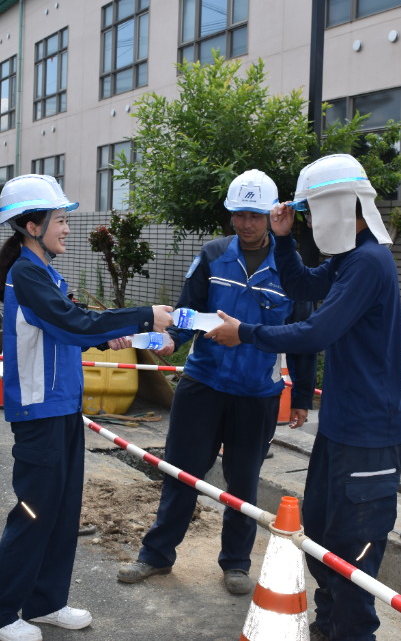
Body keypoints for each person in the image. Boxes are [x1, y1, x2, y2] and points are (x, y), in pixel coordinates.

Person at [206, 154, 401, 641]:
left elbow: (317, 330)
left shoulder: (368, 262)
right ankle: (329, 624)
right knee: (320, 535)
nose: (311, 220)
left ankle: (351, 632)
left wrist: (246, 333)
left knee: (354, 548)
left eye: (313, 211)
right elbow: (299, 285)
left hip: (368, 433)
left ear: (340, 206)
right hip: (342, 428)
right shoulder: (348, 260)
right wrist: (284, 237)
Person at [0, 174, 173, 641]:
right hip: (39, 412)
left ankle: (45, 602)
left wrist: (143, 336)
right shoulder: (25, 274)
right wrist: (145, 314)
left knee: (63, 511)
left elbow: (82, 330)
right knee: (33, 512)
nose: (67, 228)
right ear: (30, 225)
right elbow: (71, 323)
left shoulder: (47, 274)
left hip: (62, 407)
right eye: (61, 220)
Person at [117, 170, 295, 596]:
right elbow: (187, 311)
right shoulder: (213, 255)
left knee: (244, 481)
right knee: (181, 471)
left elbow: (303, 333)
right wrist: (170, 340)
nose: (246, 224)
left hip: (257, 392)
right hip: (203, 382)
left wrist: (302, 394)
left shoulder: (291, 269)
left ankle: (235, 563)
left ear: (271, 216)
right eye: (239, 215)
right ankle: (156, 556)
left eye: (254, 216)